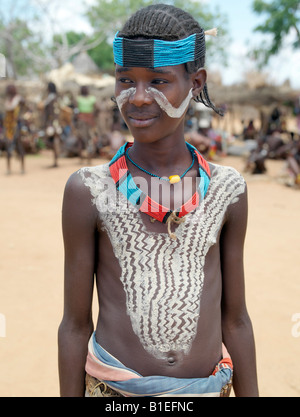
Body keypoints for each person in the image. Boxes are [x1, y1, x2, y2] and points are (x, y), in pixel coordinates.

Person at [58, 4, 258, 397]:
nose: (139, 97)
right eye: (125, 80)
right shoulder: (88, 191)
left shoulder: (227, 190)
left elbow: (235, 320)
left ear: (195, 83)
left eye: (158, 81)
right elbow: (75, 325)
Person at [3, 84, 26, 174]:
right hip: (8, 127)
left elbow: (24, 106)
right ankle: (9, 169)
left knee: (19, 147)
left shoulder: (18, 99)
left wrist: (20, 116)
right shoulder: (8, 100)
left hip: (17, 127)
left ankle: (22, 168)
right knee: (8, 147)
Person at [75, 86, 99, 163]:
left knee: (82, 139)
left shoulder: (78, 99)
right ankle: (88, 158)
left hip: (82, 121)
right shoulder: (92, 99)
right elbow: (97, 108)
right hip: (88, 121)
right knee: (88, 139)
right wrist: (93, 116)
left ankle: (83, 158)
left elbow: (75, 110)